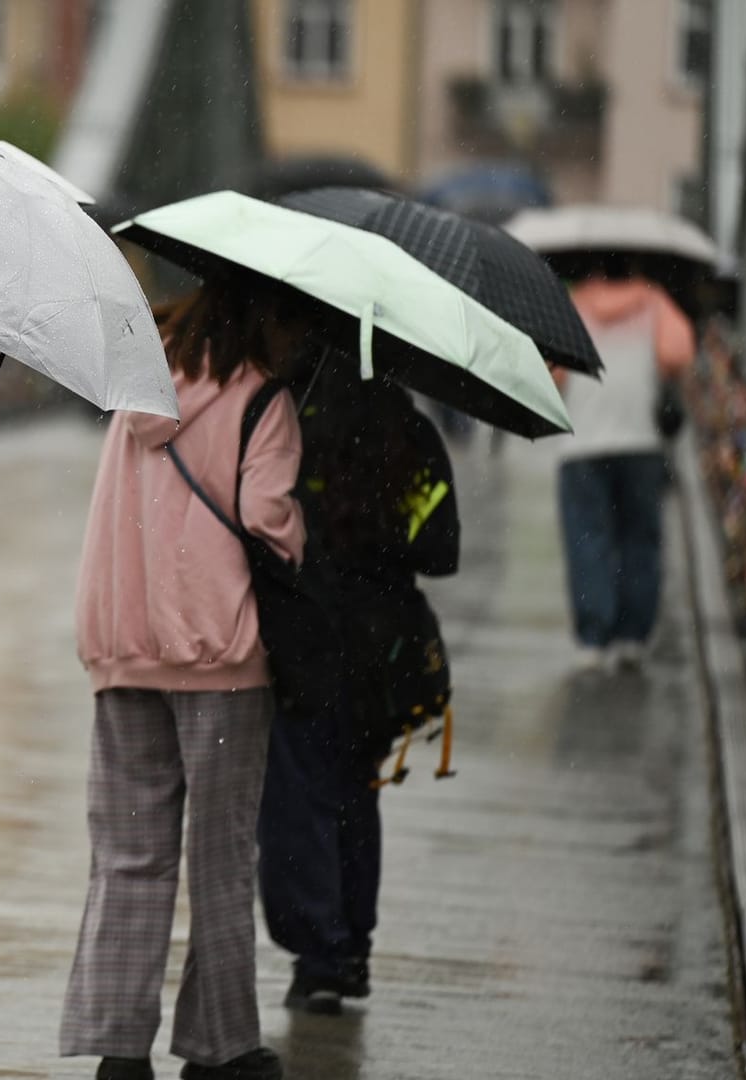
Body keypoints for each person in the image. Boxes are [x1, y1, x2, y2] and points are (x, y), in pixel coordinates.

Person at [63, 281, 306, 1080]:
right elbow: (269, 520)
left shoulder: (139, 382)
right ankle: (221, 1046)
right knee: (220, 857)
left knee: (129, 857)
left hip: (124, 645)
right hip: (222, 654)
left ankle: (119, 1047)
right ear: (265, 319)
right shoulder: (263, 402)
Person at [257, 363, 460, 1016]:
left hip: (306, 635)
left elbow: (263, 528)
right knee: (355, 791)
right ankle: (350, 948)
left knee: (302, 791)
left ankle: (318, 953)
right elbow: (440, 548)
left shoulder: (288, 421)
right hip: (385, 649)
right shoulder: (411, 433)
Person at [554, 263, 696, 670]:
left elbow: (555, 373)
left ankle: (594, 636)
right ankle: (633, 635)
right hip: (640, 442)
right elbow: (678, 352)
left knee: (587, 538)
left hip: (582, 443)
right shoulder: (653, 302)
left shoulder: (574, 306)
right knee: (639, 539)